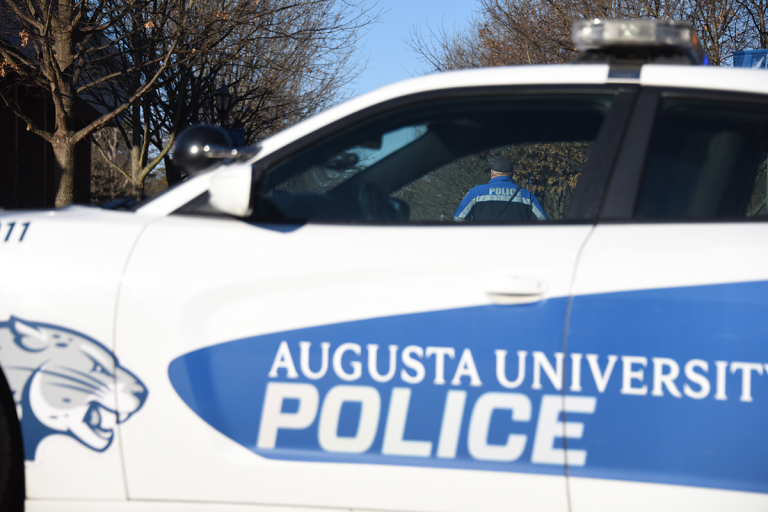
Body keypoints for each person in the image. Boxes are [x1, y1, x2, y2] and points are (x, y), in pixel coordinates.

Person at [454, 156, 547, 222]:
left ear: (491, 173)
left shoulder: (476, 193)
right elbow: (543, 221)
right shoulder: (527, 195)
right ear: (513, 174)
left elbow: (459, 219)